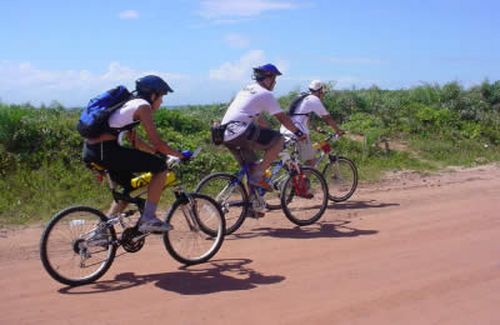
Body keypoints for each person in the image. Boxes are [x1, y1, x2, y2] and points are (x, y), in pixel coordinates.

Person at [82, 75, 185, 233]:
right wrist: (179, 155)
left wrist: (160, 153)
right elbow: (157, 142)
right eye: (162, 96)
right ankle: (148, 218)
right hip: (106, 151)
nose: (162, 101)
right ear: (153, 95)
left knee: (128, 188)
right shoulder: (143, 107)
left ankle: (99, 232)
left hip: (94, 151)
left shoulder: (130, 104)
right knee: (160, 168)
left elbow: (136, 142)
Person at [221, 63, 306, 191]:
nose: (275, 83)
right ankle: (258, 175)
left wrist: (271, 133)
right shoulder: (265, 93)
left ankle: (252, 207)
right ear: (268, 78)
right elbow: (282, 118)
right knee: (279, 141)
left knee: (252, 169)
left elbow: (259, 119)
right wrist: (298, 133)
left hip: (224, 134)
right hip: (239, 132)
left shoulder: (246, 90)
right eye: (274, 79)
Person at [280, 80, 344, 166]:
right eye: (323, 93)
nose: (323, 95)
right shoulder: (314, 99)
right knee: (311, 162)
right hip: (297, 132)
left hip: (286, 129)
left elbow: (303, 117)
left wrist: (315, 128)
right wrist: (338, 130)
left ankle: (296, 176)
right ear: (320, 91)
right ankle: (298, 179)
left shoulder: (303, 97)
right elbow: (327, 118)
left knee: (297, 163)